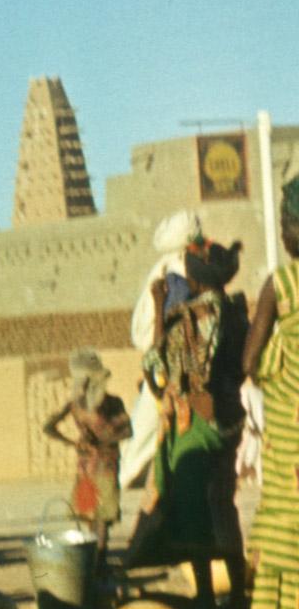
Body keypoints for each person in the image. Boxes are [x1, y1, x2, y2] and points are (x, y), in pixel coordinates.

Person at [129, 236, 250, 609]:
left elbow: (156, 367)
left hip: (192, 423)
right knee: (223, 505)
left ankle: (203, 594)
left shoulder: (189, 318)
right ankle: (238, 592)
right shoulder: (236, 312)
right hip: (227, 419)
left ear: (196, 280)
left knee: (193, 508)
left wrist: (159, 304)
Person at [245, 180, 299, 609]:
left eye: (286, 224)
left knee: (289, 543)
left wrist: (269, 364)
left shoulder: (279, 284)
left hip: (291, 447)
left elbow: (248, 361)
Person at [121, 211, 203, 493]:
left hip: (168, 361)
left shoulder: (172, 271)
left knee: (148, 426)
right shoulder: (177, 271)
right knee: (147, 426)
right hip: (169, 361)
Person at [40, 348, 132, 565]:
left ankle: (96, 562)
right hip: (100, 467)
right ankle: (97, 562)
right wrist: (78, 442)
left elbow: (127, 431)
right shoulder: (99, 404)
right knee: (97, 517)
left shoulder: (91, 405)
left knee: (99, 517)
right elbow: (127, 431)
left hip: (96, 466)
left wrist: (83, 442)